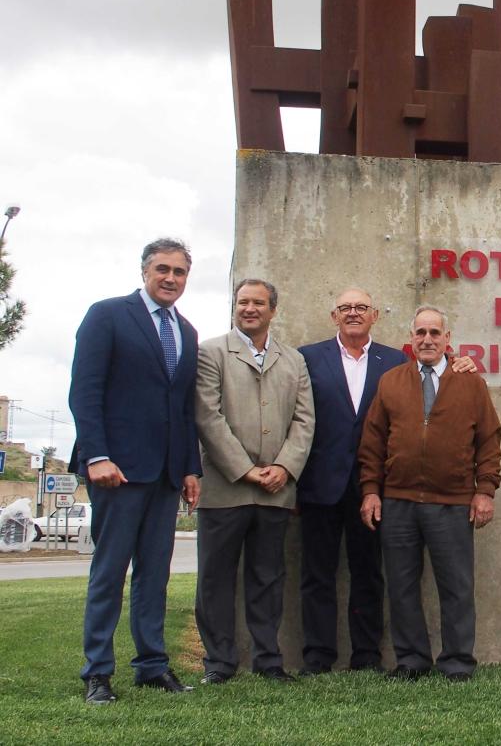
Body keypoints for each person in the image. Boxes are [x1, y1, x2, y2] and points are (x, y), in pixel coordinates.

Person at [296, 287, 476, 675]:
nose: (353, 313)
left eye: (361, 307)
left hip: (378, 490)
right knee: (317, 575)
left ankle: (366, 656)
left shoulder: (395, 362)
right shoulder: (307, 358)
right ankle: (318, 656)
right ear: (334, 316)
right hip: (324, 483)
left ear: (375, 315)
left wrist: (463, 363)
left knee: (369, 574)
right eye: (345, 307)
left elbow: (439, 368)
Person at [68, 237, 202, 703]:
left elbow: (183, 408)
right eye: (162, 269)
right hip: (117, 471)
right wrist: (96, 455)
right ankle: (97, 672)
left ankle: (151, 666)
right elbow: (85, 392)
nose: (170, 278)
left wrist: (190, 468)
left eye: (179, 272)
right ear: (145, 271)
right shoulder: (107, 315)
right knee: (109, 572)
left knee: (155, 575)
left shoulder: (186, 331)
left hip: (165, 475)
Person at [359, 305, 501, 682]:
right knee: (402, 586)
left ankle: (456, 662)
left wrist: (484, 490)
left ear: (447, 339)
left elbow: (489, 440)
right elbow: (372, 443)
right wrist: (371, 491)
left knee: (456, 587)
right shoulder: (391, 381)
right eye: (420, 333)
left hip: (452, 503)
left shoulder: (471, 383)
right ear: (411, 339)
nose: (427, 340)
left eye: (434, 333)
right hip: (399, 502)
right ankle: (411, 661)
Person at [193, 278, 315, 683]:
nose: (250, 309)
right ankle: (219, 663)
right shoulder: (211, 352)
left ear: (272, 310)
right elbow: (208, 416)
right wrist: (245, 469)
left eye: (258, 303)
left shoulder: (293, 361)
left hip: (275, 492)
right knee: (216, 579)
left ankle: (268, 660)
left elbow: (304, 420)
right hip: (225, 489)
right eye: (243, 302)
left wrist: (284, 467)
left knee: (267, 578)